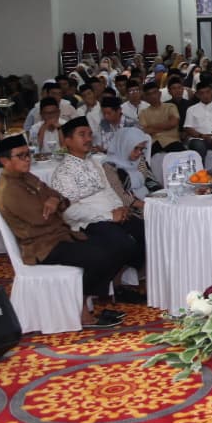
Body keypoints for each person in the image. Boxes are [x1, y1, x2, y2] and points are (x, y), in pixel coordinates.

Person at [0, 134, 134, 329]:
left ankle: (82, 303)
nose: (27, 159)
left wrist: (54, 201)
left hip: (60, 236)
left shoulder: (26, 177)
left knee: (116, 246)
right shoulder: (9, 190)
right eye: (20, 156)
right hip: (43, 247)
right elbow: (42, 217)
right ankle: (82, 311)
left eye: (28, 154)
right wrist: (57, 204)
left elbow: (57, 197)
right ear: (4, 161)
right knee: (101, 255)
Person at [49, 117, 146, 302]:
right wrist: (109, 215)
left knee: (145, 231)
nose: (88, 139)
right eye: (82, 135)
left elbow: (108, 190)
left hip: (113, 214)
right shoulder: (63, 173)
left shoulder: (94, 162)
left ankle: (117, 284)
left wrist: (120, 207)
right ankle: (97, 291)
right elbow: (69, 212)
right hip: (87, 222)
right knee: (123, 243)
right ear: (67, 141)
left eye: (89, 134)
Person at [104, 127, 159, 199]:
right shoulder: (111, 165)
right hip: (130, 203)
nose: (139, 152)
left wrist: (161, 195)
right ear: (124, 145)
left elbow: (151, 182)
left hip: (148, 199)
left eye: (142, 149)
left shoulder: (140, 160)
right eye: (135, 148)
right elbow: (122, 193)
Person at [183, 82, 212, 163]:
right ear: (197, 95)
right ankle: (201, 170)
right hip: (199, 139)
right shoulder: (191, 109)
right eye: (202, 93)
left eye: (208, 92)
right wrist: (202, 136)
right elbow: (188, 128)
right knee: (199, 146)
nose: (205, 95)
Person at [137, 81, 183, 154]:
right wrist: (166, 126)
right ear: (145, 97)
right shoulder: (143, 113)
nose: (153, 96)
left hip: (172, 141)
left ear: (160, 93)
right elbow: (145, 130)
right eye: (149, 94)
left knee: (184, 155)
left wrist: (152, 127)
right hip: (153, 143)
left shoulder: (170, 106)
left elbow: (173, 123)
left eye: (155, 92)